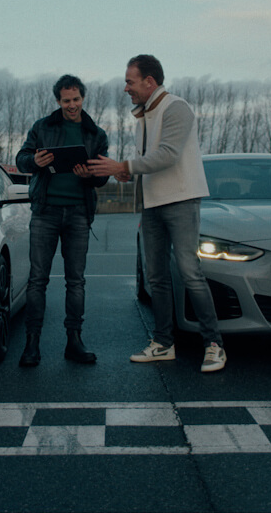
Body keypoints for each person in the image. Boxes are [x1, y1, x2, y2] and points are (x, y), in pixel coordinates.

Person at [87, 55, 226, 373]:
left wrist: (124, 165)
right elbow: (149, 160)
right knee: (157, 276)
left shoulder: (176, 107)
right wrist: (127, 172)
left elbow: (167, 155)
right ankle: (163, 343)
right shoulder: (144, 115)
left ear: (149, 81)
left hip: (181, 201)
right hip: (152, 205)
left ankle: (214, 345)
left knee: (190, 272)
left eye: (130, 82)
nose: (126, 88)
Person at [14, 74, 110, 367]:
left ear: (83, 98)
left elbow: (103, 176)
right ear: (58, 101)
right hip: (46, 212)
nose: (72, 105)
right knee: (37, 280)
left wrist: (90, 175)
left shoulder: (96, 134)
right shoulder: (42, 127)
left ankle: (74, 341)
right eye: (66, 100)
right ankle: (32, 344)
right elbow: (21, 159)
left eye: (76, 99)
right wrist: (35, 161)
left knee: (76, 281)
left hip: (79, 213)